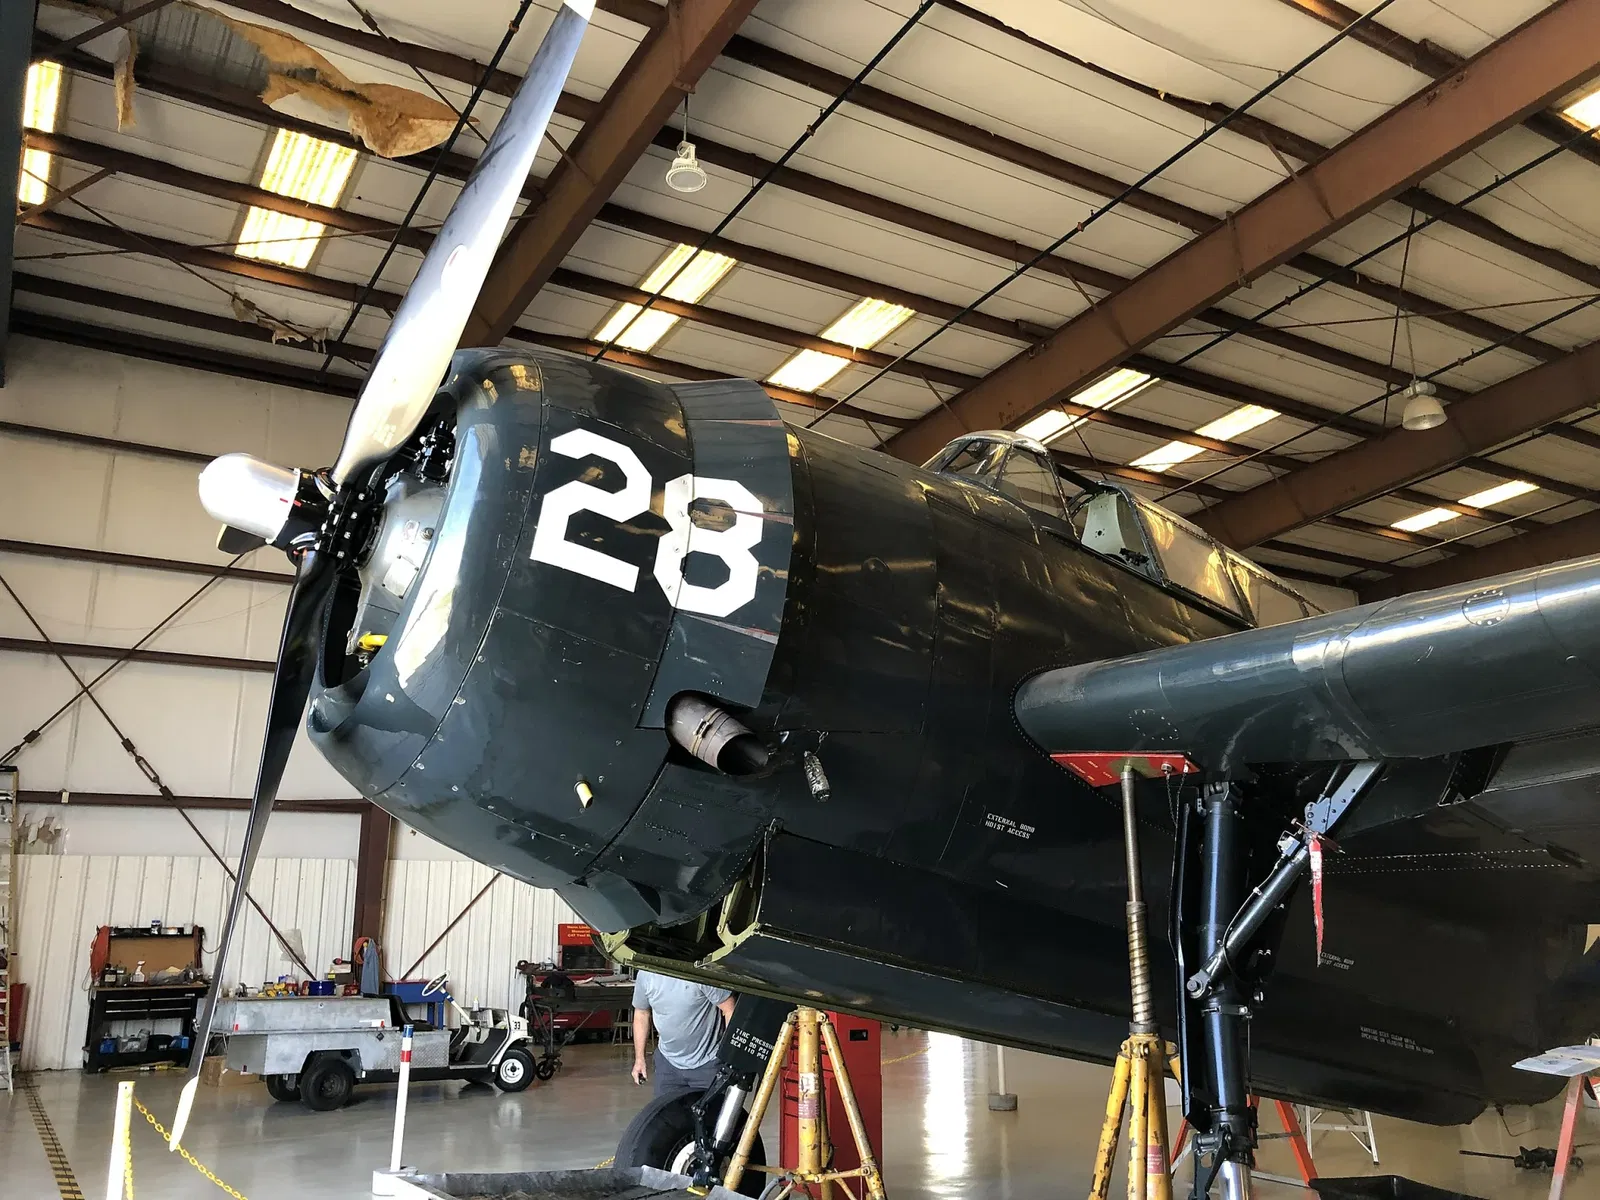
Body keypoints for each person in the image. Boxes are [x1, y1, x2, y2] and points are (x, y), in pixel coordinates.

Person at [631, 969, 736, 1096]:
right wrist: (639, 1059)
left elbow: (730, 1009)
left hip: (708, 1063)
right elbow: (641, 1013)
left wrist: (730, 1056)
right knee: (666, 1108)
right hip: (667, 1064)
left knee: (711, 1108)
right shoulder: (646, 975)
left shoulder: (699, 972)